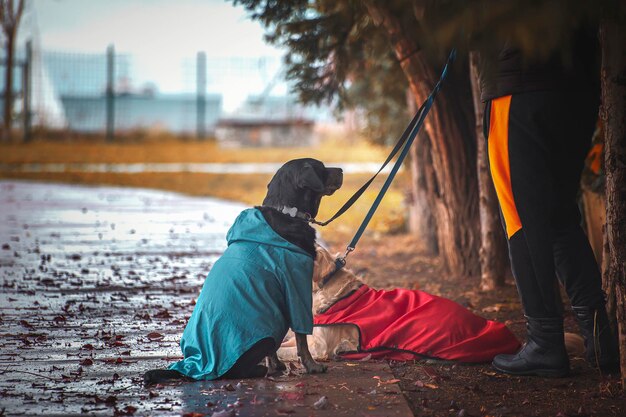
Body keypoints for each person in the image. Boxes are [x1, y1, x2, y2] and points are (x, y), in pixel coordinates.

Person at [478, 21, 619, 377]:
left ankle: (544, 342)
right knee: (558, 216)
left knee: (521, 218)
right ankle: (600, 336)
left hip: (519, 79)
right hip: (577, 84)